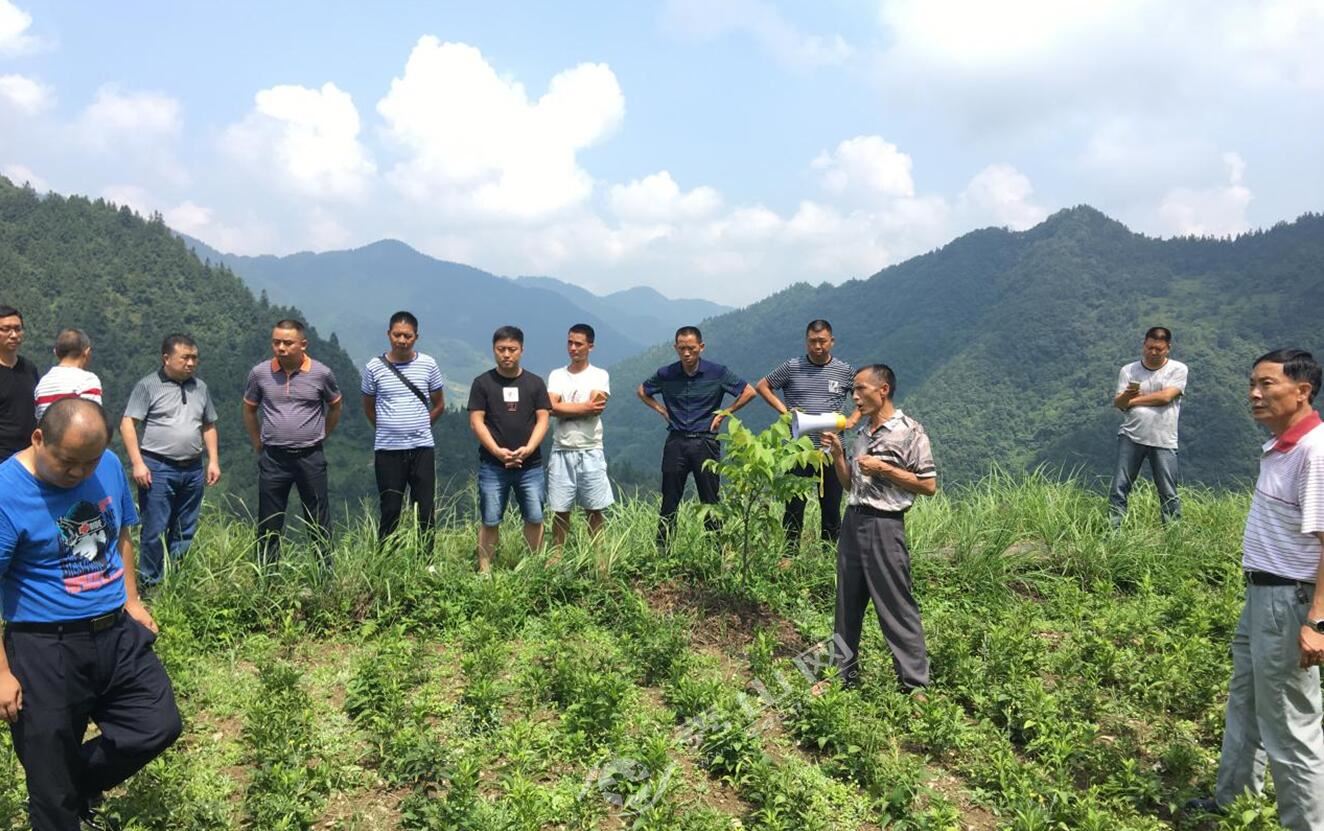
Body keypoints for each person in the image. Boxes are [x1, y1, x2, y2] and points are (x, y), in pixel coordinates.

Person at [0, 398, 181, 831]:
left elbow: (121, 534)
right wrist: (2, 671)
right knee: (52, 785)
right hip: (45, 645)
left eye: (89, 462)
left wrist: (132, 600)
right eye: (67, 463)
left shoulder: (109, 466)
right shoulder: (6, 492)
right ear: (38, 438)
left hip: (116, 632)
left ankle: (65, 785)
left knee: (157, 724)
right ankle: (56, 795)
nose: (80, 474)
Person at [1186, 349, 1324, 830]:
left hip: (1290, 601)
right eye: (1252, 384)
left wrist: (1317, 622)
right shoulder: (1283, 446)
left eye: (1266, 384)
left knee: (1290, 725)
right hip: (1263, 595)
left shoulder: (1314, 453)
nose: (1254, 394)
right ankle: (1233, 801)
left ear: (1302, 391)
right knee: (1246, 701)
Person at [819, 364, 937, 693]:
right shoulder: (862, 434)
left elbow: (928, 485)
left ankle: (914, 685)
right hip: (853, 520)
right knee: (846, 604)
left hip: (885, 525)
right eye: (853, 391)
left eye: (861, 389)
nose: (855, 397)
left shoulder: (910, 431)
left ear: (883, 390)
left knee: (896, 605)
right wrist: (839, 456)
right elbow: (850, 486)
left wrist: (883, 468)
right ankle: (841, 677)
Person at [637, 326, 756, 549]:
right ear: (675, 347)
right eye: (682, 348)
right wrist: (661, 409)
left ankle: (716, 552)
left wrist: (725, 413)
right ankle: (663, 552)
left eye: (691, 348)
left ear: (701, 347)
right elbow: (642, 391)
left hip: (705, 441)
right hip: (676, 440)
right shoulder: (666, 374)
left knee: (710, 499)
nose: (686, 353)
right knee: (669, 500)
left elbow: (749, 391)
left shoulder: (717, 372)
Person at [119, 334, 221, 586]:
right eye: (185, 358)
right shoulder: (148, 386)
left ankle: (177, 582)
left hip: (193, 467)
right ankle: (150, 584)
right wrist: (137, 463)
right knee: (154, 529)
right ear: (166, 358)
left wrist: (213, 460)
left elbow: (208, 425)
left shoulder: (201, 387)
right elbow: (128, 423)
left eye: (194, 358)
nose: (191, 363)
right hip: (158, 466)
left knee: (185, 528)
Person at [242, 320, 342, 565]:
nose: (281, 348)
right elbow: (249, 410)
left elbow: (335, 406)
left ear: (303, 344)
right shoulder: (260, 373)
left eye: (288, 343)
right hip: (273, 457)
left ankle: (323, 574)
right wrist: (257, 443)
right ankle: (267, 576)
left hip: (310, 456)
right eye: (276, 342)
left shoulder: (321, 373)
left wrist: (322, 434)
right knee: (269, 520)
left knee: (318, 519)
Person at [756, 319, 857, 548]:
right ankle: (789, 554)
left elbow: (863, 393)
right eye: (812, 341)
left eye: (822, 341)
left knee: (831, 505)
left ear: (832, 341)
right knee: (794, 505)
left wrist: (853, 419)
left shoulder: (844, 371)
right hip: (797, 450)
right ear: (806, 342)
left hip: (832, 449)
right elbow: (762, 386)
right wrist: (785, 412)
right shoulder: (793, 367)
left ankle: (829, 554)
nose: (817, 346)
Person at [467, 326, 551, 573]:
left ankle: (535, 568)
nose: (506, 354)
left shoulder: (535, 383)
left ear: (521, 350)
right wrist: (497, 451)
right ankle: (485, 572)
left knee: (535, 517)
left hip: (531, 465)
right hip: (493, 465)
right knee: (490, 519)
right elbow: (476, 422)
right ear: (493, 350)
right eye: (501, 349)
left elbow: (543, 420)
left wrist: (529, 448)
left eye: (512, 349)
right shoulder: (482, 383)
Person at [361, 311, 446, 548]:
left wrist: (422, 425)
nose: (402, 340)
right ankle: (385, 559)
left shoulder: (428, 364)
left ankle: (426, 560)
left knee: (425, 508)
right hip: (388, 450)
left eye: (407, 336)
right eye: (397, 335)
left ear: (416, 337)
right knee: (390, 508)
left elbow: (439, 404)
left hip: (422, 448)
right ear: (388, 334)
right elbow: (368, 406)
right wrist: (386, 429)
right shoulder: (374, 367)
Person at [1109, 326, 1187, 526]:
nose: (1153, 352)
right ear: (1144, 345)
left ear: (1168, 348)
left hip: (1163, 439)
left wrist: (1134, 400)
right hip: (1131, 435)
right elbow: (1119, 403)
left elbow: (1166, 397)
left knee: (1168, 491)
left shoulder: (1178, 369)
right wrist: (1127, 396)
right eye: (1149, 347)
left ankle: (1173, 535)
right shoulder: (1128, 370)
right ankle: (1113, 532)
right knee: (1119, 488)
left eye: (1158, 349)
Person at [547, 324, 613, 552]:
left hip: (591, 448)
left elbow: (595, 408)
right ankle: (556, 556)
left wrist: (562, 408)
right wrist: (582, 407)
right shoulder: (557, 375)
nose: (573, 348)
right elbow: (550, 407)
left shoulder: (600, 375)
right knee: (560, 509)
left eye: (578, 344)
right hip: (561, 448)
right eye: (570, 343)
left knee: (594, 509)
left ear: (590, 346)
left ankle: (600, 557)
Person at [33, 328, 103, 420]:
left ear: (55, 352)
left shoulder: (42, 385)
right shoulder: (88, 380)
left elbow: (39, 420)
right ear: (86, 352)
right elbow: (93, 420)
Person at [0, 305, 38, 464]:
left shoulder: (29, 368)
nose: (14, 335)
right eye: (6, 329)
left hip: (29, 455)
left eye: (17, 329)